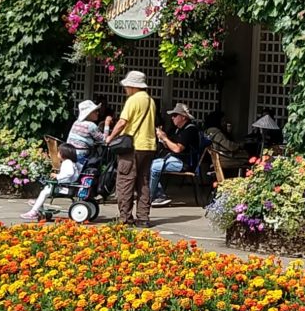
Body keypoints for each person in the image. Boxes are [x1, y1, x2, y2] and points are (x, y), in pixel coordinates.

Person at [110, 71, 158, 227]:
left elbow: (122, 122)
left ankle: (125, 218)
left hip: (133, 147)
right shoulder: (150, 101)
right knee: (143, 182)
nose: (125, 89)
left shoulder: (133, 100)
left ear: (132, 86)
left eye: (127, 86)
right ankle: (143, 218)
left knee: (125, 181)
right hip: (149, 146)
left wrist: (110, 138)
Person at [149, 102, 206, 207]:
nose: (172, 118)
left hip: (185, 163)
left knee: (154, 167)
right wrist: (163, 139)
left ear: (183, 117)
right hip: (176, 159)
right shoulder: (178, 129)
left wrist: (165, 138)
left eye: (175, 115)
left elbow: (177, 149)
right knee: (148, 165)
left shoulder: (190, 130)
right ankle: (159, 195)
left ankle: (151, 197)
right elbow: (172, 146)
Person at [58, 99, 105, 183]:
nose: (97, 113)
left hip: (69, 152)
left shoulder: (76, 122)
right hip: (80, 155)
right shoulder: (91, 125)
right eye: (95, 111)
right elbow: (103, 139)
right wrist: (107, 125)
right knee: (96, 161)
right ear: (89, 113)